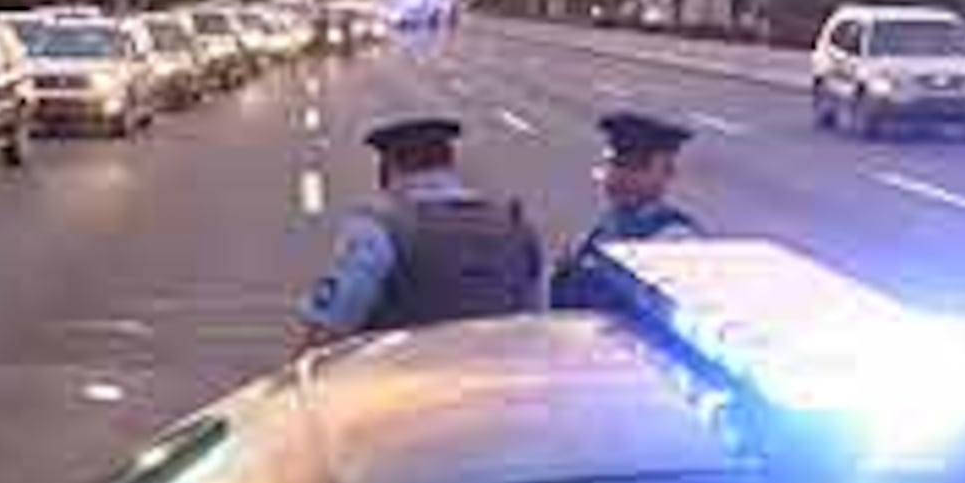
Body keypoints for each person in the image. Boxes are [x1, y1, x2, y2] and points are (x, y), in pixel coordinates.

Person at [296, 116, 544, 352]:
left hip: (406, 388)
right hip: (500, 387)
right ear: (450, 163)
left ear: (387, 171)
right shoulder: (516, 227)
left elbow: (326, 330)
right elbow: (534, 322)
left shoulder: (377, 231)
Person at [552, 112, 703, 308]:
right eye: (617, 164)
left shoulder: (676, 242)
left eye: (638, 167)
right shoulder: (596, 233)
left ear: (667, 174)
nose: (623, 177)